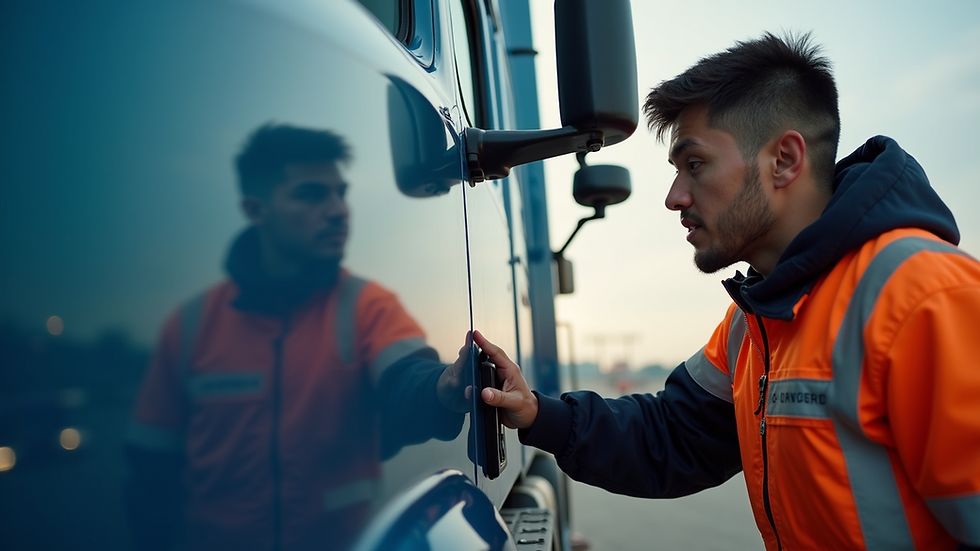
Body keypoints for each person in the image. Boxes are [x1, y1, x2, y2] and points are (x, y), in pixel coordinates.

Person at [475, 32, 980, 550]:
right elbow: (674, 435)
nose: (674, 198)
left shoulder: (924, 296)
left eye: (694, 165)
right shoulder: (756, 318)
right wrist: (539, 414)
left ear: (783, 160)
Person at [124, 124, 467, 551]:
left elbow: (405, 378)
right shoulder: (192, 325)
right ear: (256, 209)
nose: (339, 210)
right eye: (312, 195)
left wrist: (443, 386)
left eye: (341, 193)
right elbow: (151, 474)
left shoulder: (365, 305)